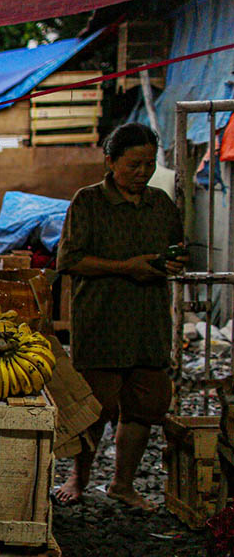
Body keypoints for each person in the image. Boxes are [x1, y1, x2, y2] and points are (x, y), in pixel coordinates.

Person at [52, 123, 184, 510]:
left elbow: (176, 247)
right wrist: (127, 267)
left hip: (150, 323)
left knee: (145, 405)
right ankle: (78, 479)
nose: (142, 172)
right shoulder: (88, 201)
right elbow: (69, 260)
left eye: (149, 164)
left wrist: (173, 262)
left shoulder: (161, 203)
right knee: (95, 407)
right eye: (133, 164)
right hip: (103, 321)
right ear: (110, 161)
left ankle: (123, 484)